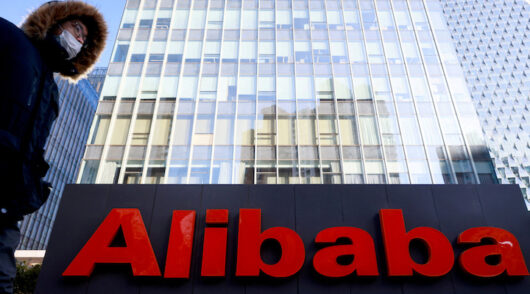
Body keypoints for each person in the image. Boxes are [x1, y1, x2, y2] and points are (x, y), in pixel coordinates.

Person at [0, 1, 107, 292]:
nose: (79, 40)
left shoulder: (53, 89)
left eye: (84, 39)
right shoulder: (8, 38)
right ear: (55, 21)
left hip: (8, 206)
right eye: (76, 29)